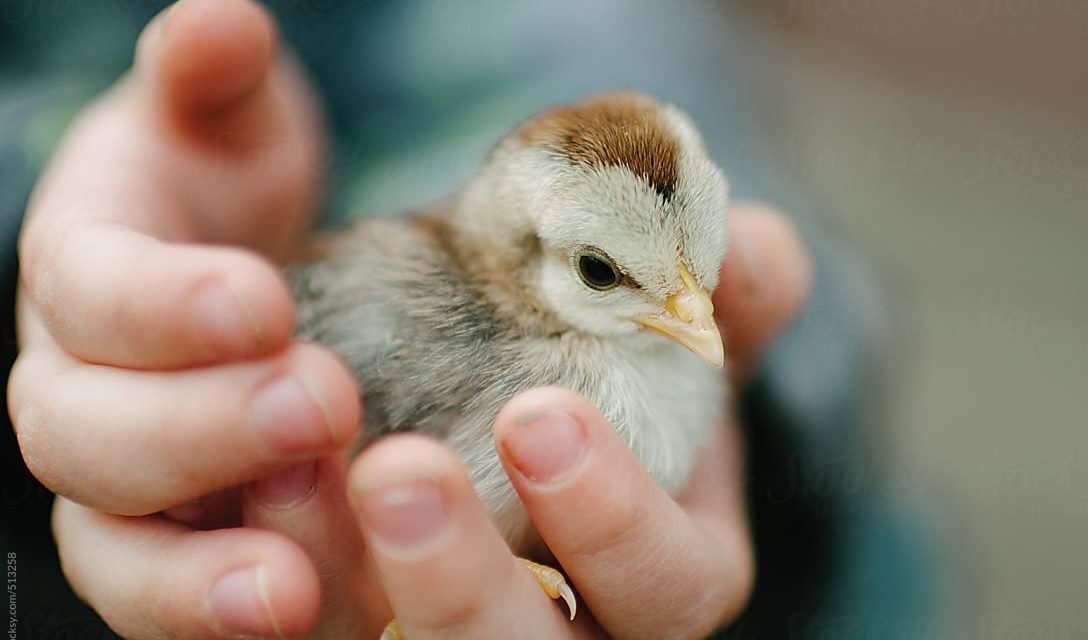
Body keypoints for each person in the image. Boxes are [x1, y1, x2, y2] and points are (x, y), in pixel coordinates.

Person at [2, 0, 932, 637]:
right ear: (524, 257)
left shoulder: (673, 326)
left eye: (704, 265)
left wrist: (781, 491)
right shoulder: (459, 335)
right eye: (606, 274)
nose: (698, 316)